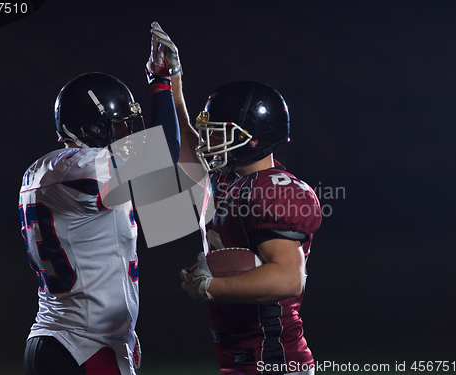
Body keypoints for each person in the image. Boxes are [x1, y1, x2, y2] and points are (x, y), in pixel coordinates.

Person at [18, 22, 182, 375]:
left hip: (63, 340)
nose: (127, 133)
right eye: (118, 125)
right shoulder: (86, 168)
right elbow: (165, 152)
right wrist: (162, 83)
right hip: (81, 346)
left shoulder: (46, 170)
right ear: (91, 126)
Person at [167, 42, 322, 373]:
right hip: (243, 357)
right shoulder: (229, 180)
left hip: (274, 359)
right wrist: (171, 85)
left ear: (253, 139)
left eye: (219, 134)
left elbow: (288, 279)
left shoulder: (274, 190)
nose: (209, 142)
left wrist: (211, 287)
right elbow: (187, 146)